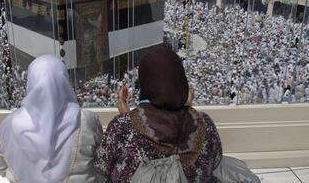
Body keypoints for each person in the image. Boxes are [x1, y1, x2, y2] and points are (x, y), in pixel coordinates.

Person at [94, 47, 259, 183]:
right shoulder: (204, 123)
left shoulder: (122, 127)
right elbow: (215, 161)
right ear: (181, 82)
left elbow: (102, 169)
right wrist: (187, 109)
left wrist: (127, 118)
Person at [0, 54, 103, 183]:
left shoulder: (8, 125)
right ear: (63, 81)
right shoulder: (87, 120)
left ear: (31, 82)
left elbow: (0, 166)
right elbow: (102, 161)